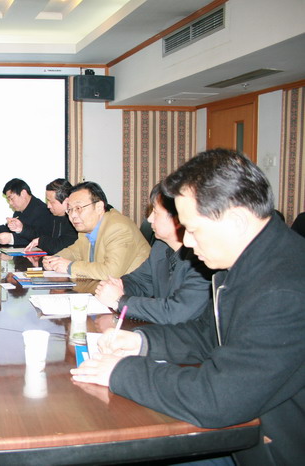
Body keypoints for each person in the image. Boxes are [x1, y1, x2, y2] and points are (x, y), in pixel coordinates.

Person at [71, 149, 305, 465]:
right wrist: (142, 341)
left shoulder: (283, 288)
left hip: (268, 447)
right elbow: (210, 333)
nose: (189, 243)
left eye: (192, 230)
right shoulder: (247, 260)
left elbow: (219, 398)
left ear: (236, 221)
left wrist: (121, 372)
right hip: (246, 430)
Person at [94, 183, 212, 324]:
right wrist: (119, 286)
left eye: (155, 212)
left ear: (178, 218)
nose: (149, 219)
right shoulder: (160, 247)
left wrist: (120, 301)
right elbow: (139, 281)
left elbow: (177, 312)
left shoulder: (203, 258)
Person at [43, 181, 149, 280]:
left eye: (78, 208)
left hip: (136, 291)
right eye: (70, 210)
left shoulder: (119, 228)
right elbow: (74, 252)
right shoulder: (86, 230)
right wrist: (55, 259)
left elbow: (111, 272)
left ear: (99, 207)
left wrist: (69, 267)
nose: (73, 215)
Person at [0, 178, 54, 247]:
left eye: (11, 198)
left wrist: (11, 239)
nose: (10, 203)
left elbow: (40, 238)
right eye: (8, 200)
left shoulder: (43, 210)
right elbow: (6, 229)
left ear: (23, 193)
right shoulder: (19, 211)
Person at [24, 178, 78, 254]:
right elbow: (39, 234)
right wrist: (21, 229)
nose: (48, 206)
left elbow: (59, 247)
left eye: (52, 202)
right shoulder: (51, 216)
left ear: (66, 201)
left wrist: (40, 241)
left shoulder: (76, 220)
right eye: (47, 201)